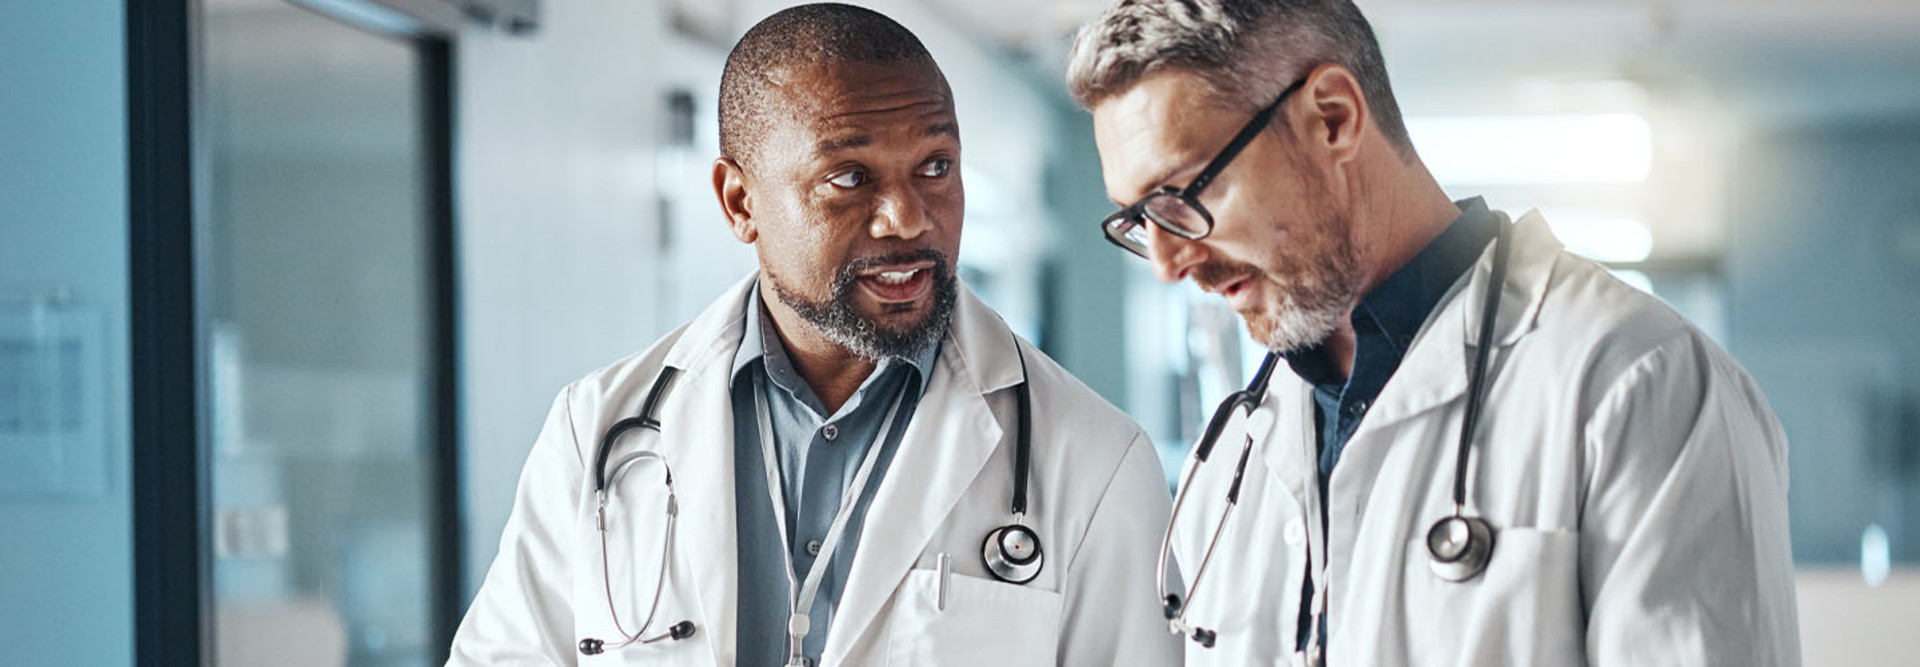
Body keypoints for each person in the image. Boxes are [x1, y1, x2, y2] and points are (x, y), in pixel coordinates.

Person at [1065, 1, 1799, 665]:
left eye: (1182, 196)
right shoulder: (1234, 452)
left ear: (1332, 117)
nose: (1167, 261)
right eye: (1138, 220)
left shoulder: (1636, 381)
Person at [448, 4, 1182, 666]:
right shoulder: (596, 429)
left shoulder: (1092, 457)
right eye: (849, 178)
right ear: (740, 202)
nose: (909, 217)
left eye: (935, 166)